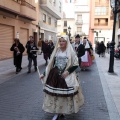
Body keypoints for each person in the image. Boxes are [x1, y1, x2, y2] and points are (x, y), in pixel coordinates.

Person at [40, 35, 84, 120]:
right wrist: (44, 74)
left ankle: (62, 111)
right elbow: (51, 65)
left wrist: (68, 72)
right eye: (60, 41)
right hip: (55, 76)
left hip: (66, 76)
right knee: (56, 95)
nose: (61, 43)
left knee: (64, 95)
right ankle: (57, 112)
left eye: (63, 41)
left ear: (67, 42)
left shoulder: (70, 52)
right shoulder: (57, 51)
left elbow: (75, 64)